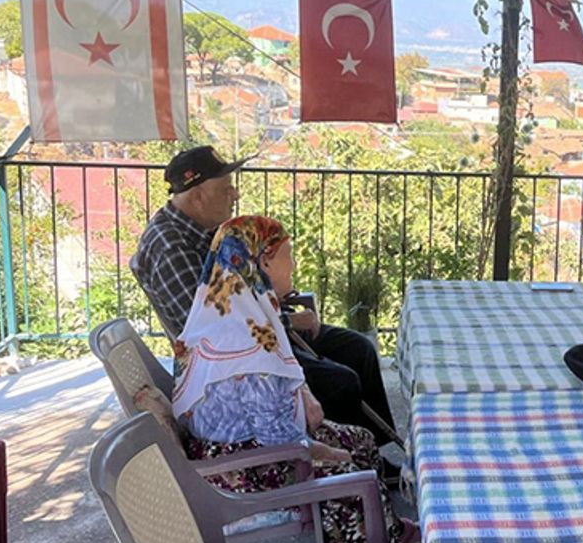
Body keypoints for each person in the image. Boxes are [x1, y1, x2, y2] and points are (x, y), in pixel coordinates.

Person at [172, 215, 414, 543]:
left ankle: (383, 531)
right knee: (348, 474)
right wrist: (325, 451)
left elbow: (276, 393)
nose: (294, 265)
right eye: (288, 256)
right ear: (263, 262)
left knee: (362, 440)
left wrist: (304, 398)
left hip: (245, 441)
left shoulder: (233, 311)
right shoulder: (243, 344)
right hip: (241, 462)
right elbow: (278, 438)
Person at [131, 145, 397, 444]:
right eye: (226, 189)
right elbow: (215, 327)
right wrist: (288, 321)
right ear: (197, 197)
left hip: (261, 333)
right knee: (340, 382)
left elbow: (237, 292)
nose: (235, 195)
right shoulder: (171, 247)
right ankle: (345, 455)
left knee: (358, 348)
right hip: (234, 364)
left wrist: (276, 302)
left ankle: (377, 451)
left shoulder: (200, 228)